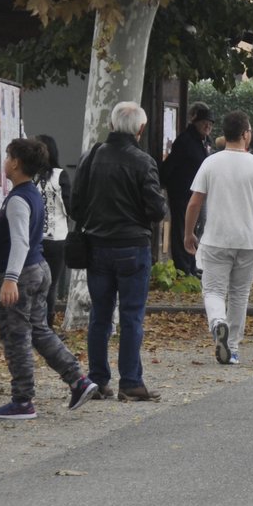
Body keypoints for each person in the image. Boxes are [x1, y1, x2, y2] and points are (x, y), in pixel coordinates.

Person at [0, 138, 97, 418]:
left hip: (22, 275)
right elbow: (7, 237)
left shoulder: (18, 200)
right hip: (39, 269)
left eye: (8, 156)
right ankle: (78, 380)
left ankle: (22, 400)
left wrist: (9, 279)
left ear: (16, 163)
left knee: (16, 337)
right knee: (38, 331)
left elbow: (20, 241)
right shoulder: (30, 193)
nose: (5, 161)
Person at [72, 101, 167, 401]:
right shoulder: (143, 161)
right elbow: (156, 210)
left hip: (97, 245)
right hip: (132, 247)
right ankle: (131, 381)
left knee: (100, 315)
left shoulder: (91, 158)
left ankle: (98, 379)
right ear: (141, 129)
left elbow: (75, 205)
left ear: (111, 125)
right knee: (131, 316)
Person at [186, 111, 253, 366]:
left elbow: (195, 202)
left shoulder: (210, 163)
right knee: (239, 294)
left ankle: (217, 323)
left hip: (216, 237)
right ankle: (233, 346)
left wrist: (188, 233)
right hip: (248, 240)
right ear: (246, 133)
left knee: (214, 290)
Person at [160, 102, 212, 276]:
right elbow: (171, 165)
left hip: (193, 193)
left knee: (192, 230)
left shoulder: (201, 141)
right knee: (182, 230)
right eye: (205, 122)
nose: (208, 126)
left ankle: (190, 264)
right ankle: (183, 267)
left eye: (210, 124)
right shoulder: (186, 141)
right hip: (182, 193)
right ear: (195, 122)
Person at [35, 134, 71, 328]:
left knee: (33, 283)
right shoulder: (59, 175)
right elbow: (69, 207)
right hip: (56, 238)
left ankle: (34, 324)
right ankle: (47, 327)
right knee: (51, 284)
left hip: (32, 238)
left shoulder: (29, 175)